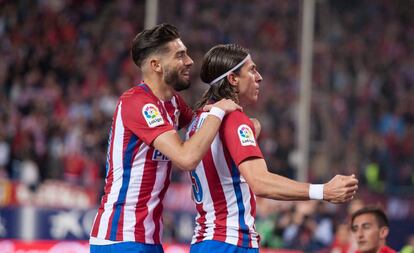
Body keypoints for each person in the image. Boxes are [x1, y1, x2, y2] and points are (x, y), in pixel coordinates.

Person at [186, 44, 359, 253]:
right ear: (232, 79)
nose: (259, 77)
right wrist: (323, 191)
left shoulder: (200, 121)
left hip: (204, 241)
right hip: (230, 243)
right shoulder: (233, 119)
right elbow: (260, 182)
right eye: (251, 70)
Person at [89, 24, 241, 253]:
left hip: (149, 240)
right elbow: (187, 157)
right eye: (180, 55)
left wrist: (245, 127)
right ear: (156, 65)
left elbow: (202, 133)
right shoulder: (136, 102)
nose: (190, 61)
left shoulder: (173, 103)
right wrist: (218, 111)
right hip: (119, 238)